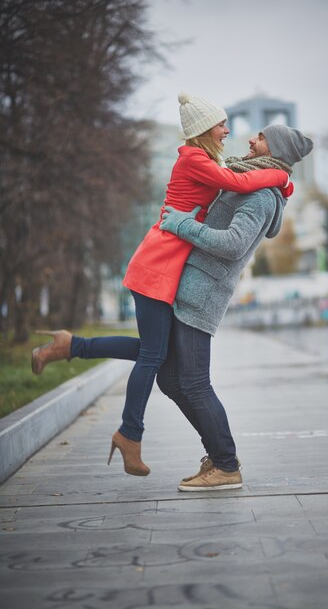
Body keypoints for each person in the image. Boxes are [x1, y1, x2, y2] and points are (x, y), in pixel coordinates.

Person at [31, 93, 292, 478]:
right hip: (159, 265)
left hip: (167, 267)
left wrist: (278, 181)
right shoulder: (196, 158)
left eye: (254, 134)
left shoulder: (215, 166)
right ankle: (130, 434)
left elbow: (231, 192)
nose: (230, 132)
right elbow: (234, 181)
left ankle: (72, 346)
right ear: (205, 129)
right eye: (222, 124)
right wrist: (284, 177)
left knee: (155, 353)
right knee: (155, 357)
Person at [156, 123, 313, 491]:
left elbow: (232, 244)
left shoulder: (260, 196)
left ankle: (226, 465)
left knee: (193, 383)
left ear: (272, 149)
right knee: (169, 379)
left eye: (259, 137)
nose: (250, 139)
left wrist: (181, 224)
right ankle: (218, 455)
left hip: (202, 296)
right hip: (190, 289)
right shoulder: (250, 182)